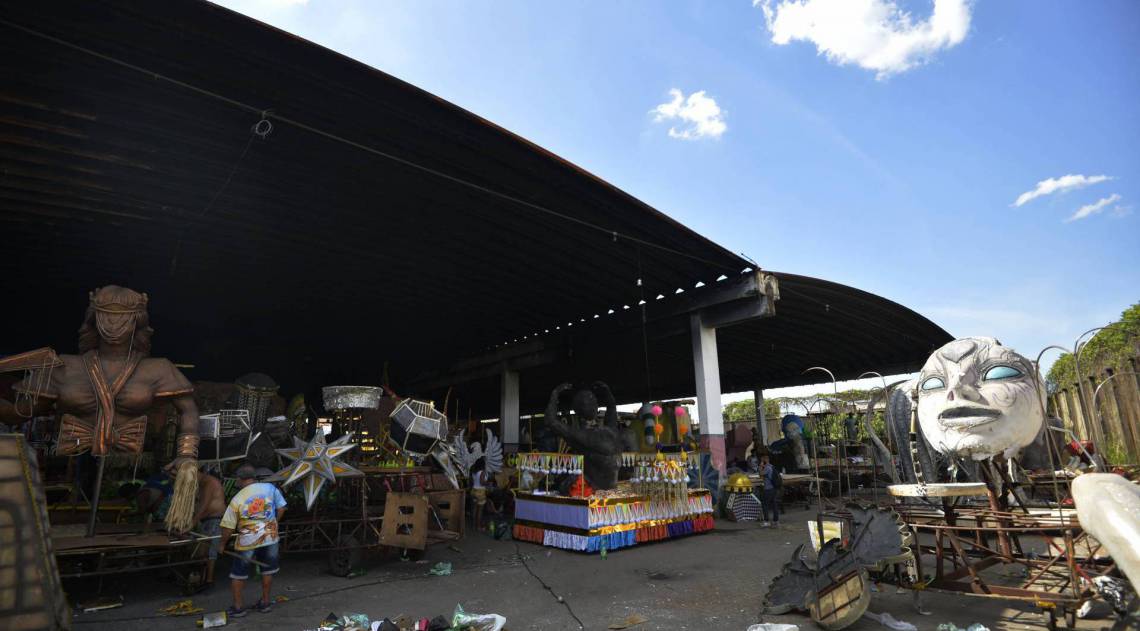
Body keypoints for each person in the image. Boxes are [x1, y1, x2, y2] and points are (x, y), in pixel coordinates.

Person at [219, 463, 287, 617]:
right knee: (268, 570)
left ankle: (238, 607)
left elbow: (228, 527)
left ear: (240, 479)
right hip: (270, 537)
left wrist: (222, 544)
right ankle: (265, 603)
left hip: (248, 541)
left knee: (238, 573)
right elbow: (282, 508)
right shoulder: (270, 488)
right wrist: (274, 523)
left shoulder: (237, 498)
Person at [193, 468, 226, 586]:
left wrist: (193, 522)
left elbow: (205, 506)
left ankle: (209, 579)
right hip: (207, 520)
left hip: (214, 520)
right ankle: (202, 577)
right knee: (203, 551)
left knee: (211, 552)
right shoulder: (203, 484)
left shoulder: (210, 483)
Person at [759, 454, 781, 527]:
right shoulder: (772, 466)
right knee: (774, 505)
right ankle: (776, 521)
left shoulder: (767, 468)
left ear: (765, 461)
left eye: (762, 461)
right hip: (774, 488)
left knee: (765, 505)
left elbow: (760, 474)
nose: (761, 462)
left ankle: (766, 521)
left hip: (768, 489)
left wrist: (761, 466)